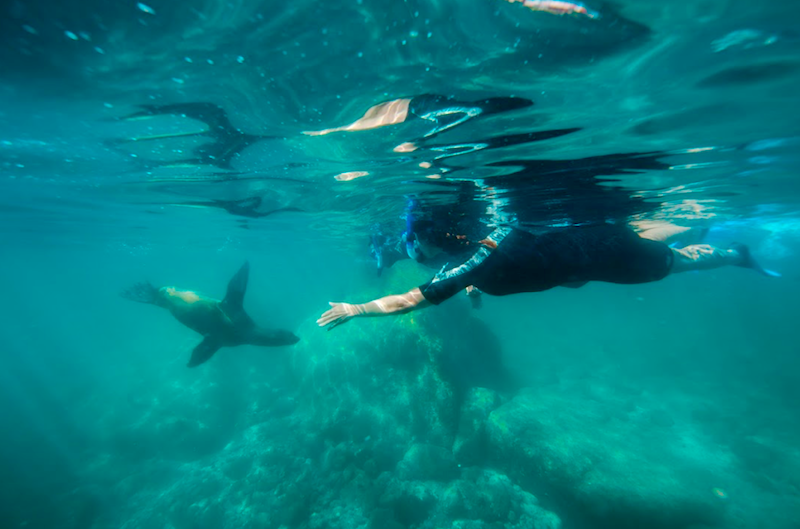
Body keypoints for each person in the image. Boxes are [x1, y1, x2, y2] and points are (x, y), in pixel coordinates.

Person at [317, 220, 778, 329]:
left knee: (678, 262)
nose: (412, 250)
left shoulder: (469, 264)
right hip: (587, 249)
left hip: (609, 256)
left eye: (418, 243)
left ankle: (735, 251)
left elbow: (407, 301)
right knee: (653, 242)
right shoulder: (474, 253)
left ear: (444, 239)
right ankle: (690, 225)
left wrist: (354, 309)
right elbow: (486, 265)